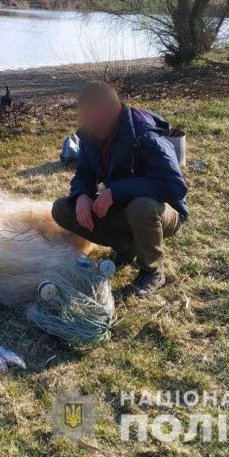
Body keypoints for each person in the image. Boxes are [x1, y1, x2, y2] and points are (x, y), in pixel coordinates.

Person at [51, 82, 189, 297]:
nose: (91, 123)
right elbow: (84, 174)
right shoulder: (90, 136)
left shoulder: (146, 135)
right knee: (62, 209)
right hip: (123, 208)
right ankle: (128, 247)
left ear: (114, 109)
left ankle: (152, 272)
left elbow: (175, 187)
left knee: (141, 207)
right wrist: (82, 196)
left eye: (96, 116)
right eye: (87, 116)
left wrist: (116, 192)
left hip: (163, 213)